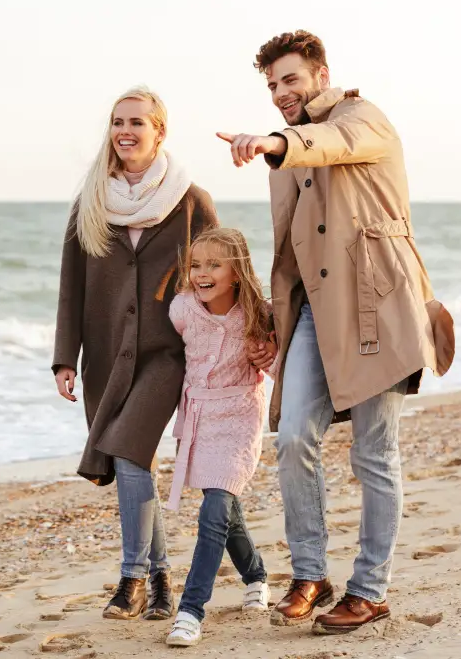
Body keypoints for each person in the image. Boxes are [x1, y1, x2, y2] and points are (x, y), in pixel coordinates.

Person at [217, 30, 455, 634]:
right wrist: (274, 317)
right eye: (271, 85)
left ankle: (371, 589)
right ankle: (311, 572)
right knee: (293, 436)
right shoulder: (286, 155)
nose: (280, 93)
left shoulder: (363, 118)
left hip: (378, 308)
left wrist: (277, 141)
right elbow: (292, 251)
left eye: (290, 80)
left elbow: (332, 141)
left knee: (375, 454)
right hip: (315, 317)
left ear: (321, 75)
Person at [52, 87, 219, 622]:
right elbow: (71, 286)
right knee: (135, 466)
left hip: (167, 356)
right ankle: (163, 576)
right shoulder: (91, 201)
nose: (125, 131)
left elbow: (223, 275)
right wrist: (63, 358)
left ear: (159, 131)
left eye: (137, 122)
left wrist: (234, 349)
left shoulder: (192, 200)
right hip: (105, 357)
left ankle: (131, 580)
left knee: (127, 452)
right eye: (117, 121)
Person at [162, 228, 276, 647]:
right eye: (195, 265)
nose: (201, 273)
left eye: (214, 265)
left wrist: (270, 356)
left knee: (214, 510)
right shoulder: (183, 310)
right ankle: (256, 575)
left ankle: (190, 611)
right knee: (224, 510)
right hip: (200, 420)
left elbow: (284, 368)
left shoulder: (259, 315)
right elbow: (159, 353)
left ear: (237, 272)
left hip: (241, 418)